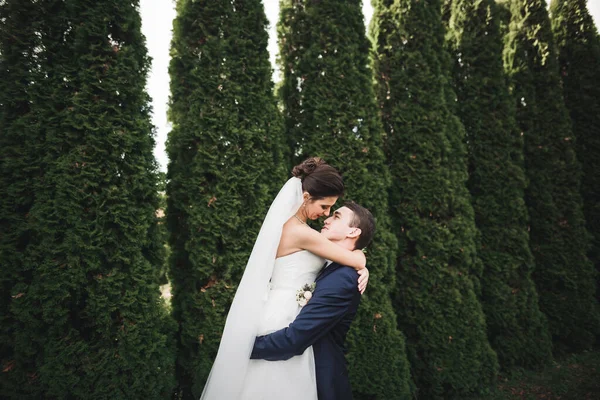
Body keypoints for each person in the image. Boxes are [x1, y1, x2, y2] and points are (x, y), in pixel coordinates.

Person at [200, 158, 369, 400]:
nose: (326, 214)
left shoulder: (288, 226)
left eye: (332, 210)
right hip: (284, 314)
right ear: (307, 196)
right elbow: (355, 260)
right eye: (324, 206)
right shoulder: (302, 233)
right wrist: (363, 263)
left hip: (276, 308)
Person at [250, 202, 375, 400]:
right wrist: (361, 259)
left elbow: (294, 339)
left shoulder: (342, 279)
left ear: (353, 232)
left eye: (336, 216)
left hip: (317, 379)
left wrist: (244, 348)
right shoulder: (331, 265)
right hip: (293, 369)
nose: (326, 219)